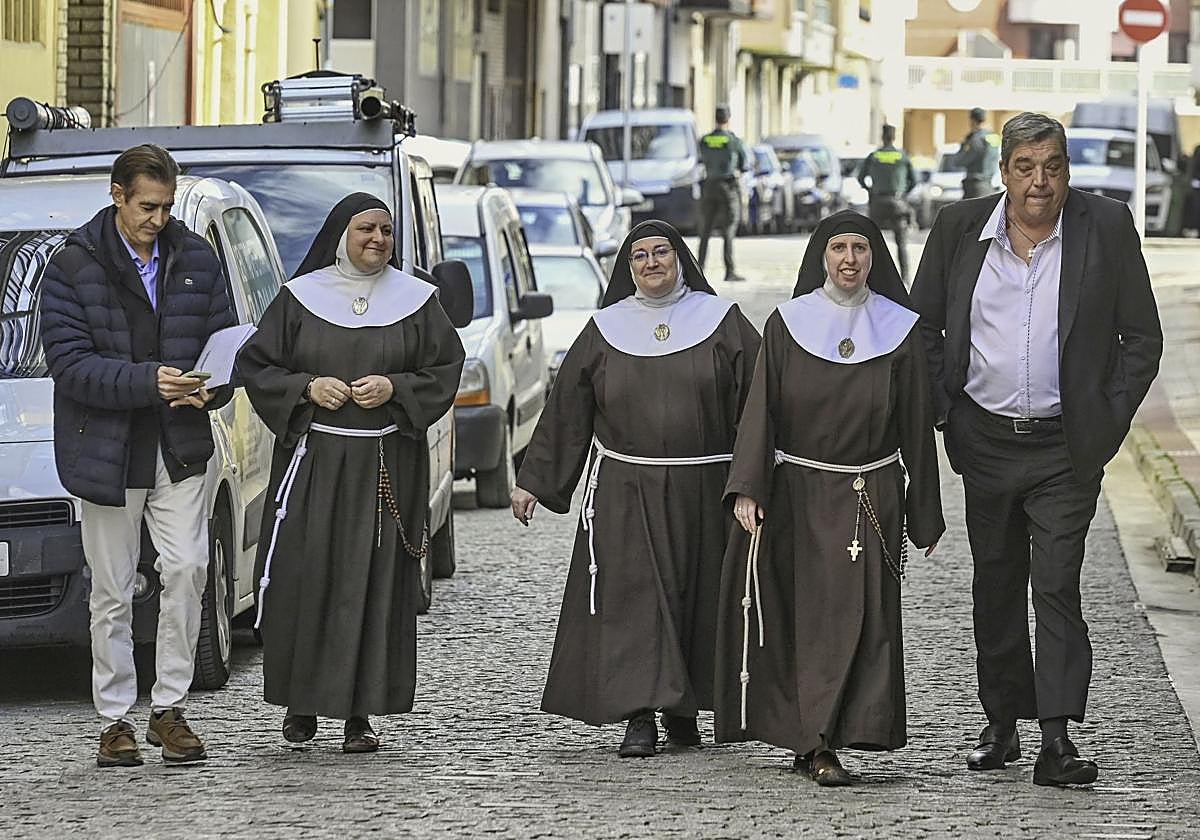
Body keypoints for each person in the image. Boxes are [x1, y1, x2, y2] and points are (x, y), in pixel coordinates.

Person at [910, 112, 1163, 787]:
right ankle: (1002, 726)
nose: (1039, 182)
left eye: (1052, 166)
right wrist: (947, 417)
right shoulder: (959, 229)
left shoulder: (1105, 227)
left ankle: (1056, 738)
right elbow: (922, 328)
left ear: (1067, 169)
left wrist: (1105, 426)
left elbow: (1141, 337)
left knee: (1055, 584)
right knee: (994, 584)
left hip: (1064, 448)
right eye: (1025, 167)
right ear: (1004, 172)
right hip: (984, 441)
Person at [510, 220, 761, 757]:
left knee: (696, 596)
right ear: (628, 268)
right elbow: (567, 412)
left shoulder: (722, 323)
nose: (651, 263)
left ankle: (682, 708)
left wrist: (752, 482)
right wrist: (535, 481)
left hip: (704, 484)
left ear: (680, 259)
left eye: (662, 253)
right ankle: (638, 716)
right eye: (640, 255)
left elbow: (760, 407)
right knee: (635, 599)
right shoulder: (605, 329)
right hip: (627, 487)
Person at [713, 210, 944, 786]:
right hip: (802, 494)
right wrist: (748, 486)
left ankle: (843, 730)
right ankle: (814, 742)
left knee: (864, 621)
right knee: (810, 620)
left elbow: (916, 424)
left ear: (875, 257)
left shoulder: (899, 329)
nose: (849, 259)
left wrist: (924, 506)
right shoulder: (789, 325)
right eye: (838, 247)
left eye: (860, 248)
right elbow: (760, 411)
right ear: (821, 257)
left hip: (872, 495)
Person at [237, 193, 465, 753]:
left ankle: (362, 713)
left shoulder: (416, 300)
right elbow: (256, 364)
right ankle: (301, 703)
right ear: (342, 234)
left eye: (387, 231)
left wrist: (397, 388)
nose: (379, 240)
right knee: (309, 577)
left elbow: (445, 366)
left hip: (386, 466)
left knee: (374, 585)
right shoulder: (299, 299)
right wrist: (306, 388)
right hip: (315, 462)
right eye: (367, 229)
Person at [39, 144, 236, 767]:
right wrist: (150, 382)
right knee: (113, 590)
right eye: (147, 206)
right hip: (105, 450)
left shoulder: (197, 257)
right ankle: (115, 719)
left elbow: (226, 342)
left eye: (166, 207)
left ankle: (169, 708)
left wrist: (215, 384)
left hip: (179, 444)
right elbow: (69, 367)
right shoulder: (71, 264)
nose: (158, 218)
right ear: (117, 195)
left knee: (187, 571)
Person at [858, 124, 918, 282]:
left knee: (873, 243)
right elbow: (914, 181)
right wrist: (903, 194)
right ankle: (905, 278)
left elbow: (860, 178)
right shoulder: (902, 157)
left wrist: (870, 190)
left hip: (878, 203)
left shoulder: (874, 156)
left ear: (882, 137)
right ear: (894, 137)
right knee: (901, 243)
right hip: (897, 204)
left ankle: (873, 277)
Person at [697, 105, 749, 283]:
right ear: (728, 119)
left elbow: (700, 159)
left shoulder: (705, 140)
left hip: (709, 186)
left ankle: (699, 269)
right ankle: (730, 270)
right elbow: (744, 164)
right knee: (729, 228)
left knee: (705, 230)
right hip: (728, 187)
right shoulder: (733, 141)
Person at [958, 107, 997, 199]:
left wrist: (963, 146)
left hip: (975, 186)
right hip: (989, 185)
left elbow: (960, 161)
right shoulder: (993, 136)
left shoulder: (976, 139)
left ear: (972, 120)